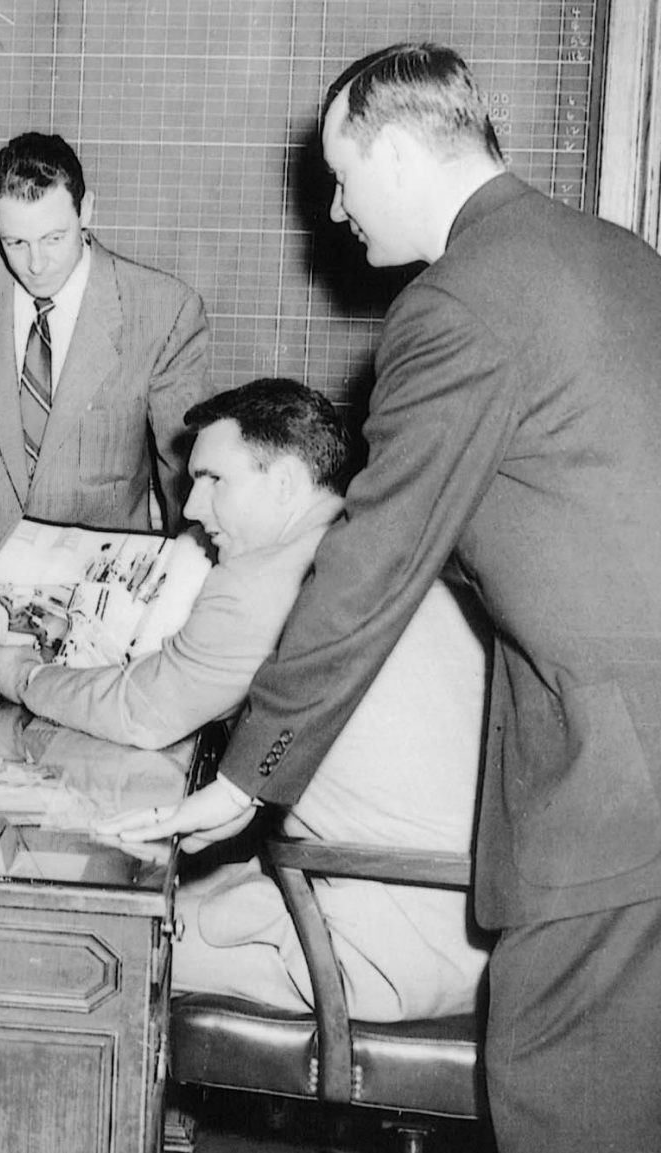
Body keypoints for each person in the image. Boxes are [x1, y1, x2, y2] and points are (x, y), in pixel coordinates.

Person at [103, 44, 661, 1152]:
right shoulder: (617, 256)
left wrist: (246, 780)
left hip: (606, 773)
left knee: (563, 1100)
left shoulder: (455, 300)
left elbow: (371, 556)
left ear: (398, 152)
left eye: (341, 174)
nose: (333, 206)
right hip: (635, 755)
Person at [0, 380, 489, 1019]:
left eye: (214, 479)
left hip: (380, 948)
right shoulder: (379, 549)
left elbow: (141, 710)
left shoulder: (269, 579)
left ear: (283, 483)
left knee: (59, 952)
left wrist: (25, 676)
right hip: (459, 916)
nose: (193, 504)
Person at [0, 131, 212, 630]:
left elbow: (187, 475)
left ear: (86, 210)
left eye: (54, 238)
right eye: (15, 242)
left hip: (99, 606)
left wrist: (183, 596)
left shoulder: (163, 310)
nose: (36, 263)